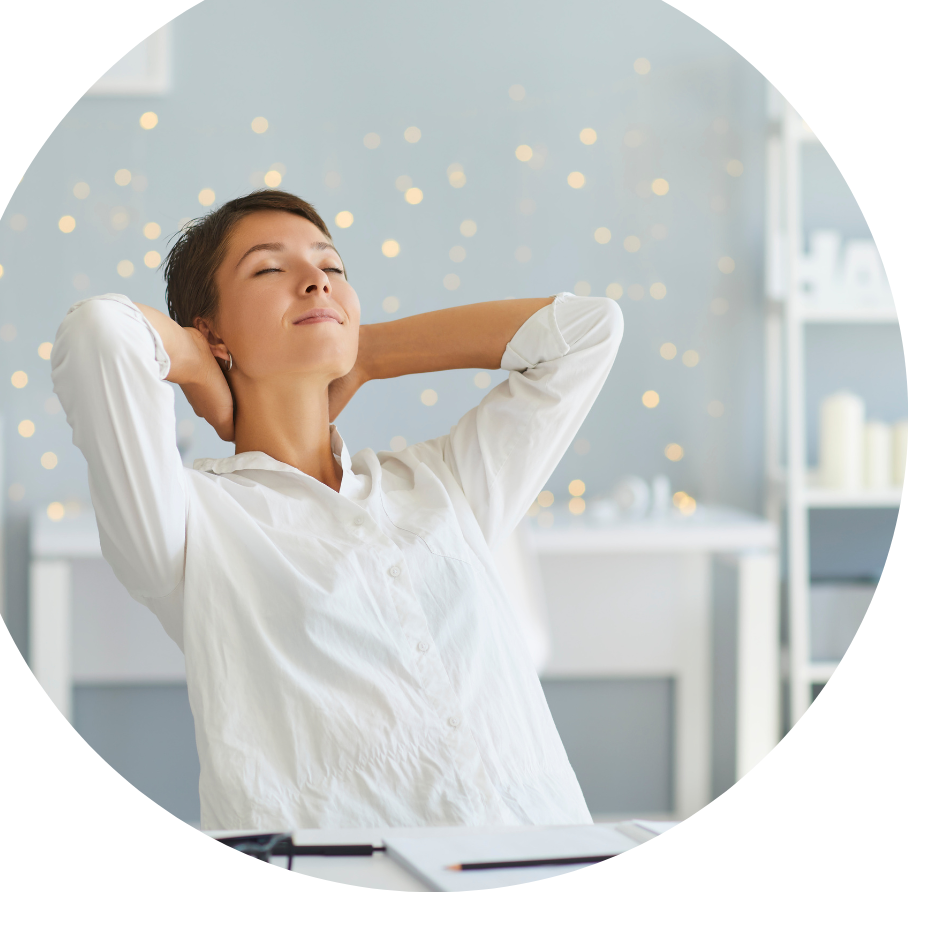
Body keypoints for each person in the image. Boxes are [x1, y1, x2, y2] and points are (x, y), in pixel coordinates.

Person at [51, 189, 624, 832]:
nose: (316, 282)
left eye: (334, 268)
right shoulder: (189, 524)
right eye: (270, 269)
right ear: (210, 331)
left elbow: (589, 331)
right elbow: (97, 333)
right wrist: (193, 365)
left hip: (546, 856)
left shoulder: (443, 486)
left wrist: (372, 352)